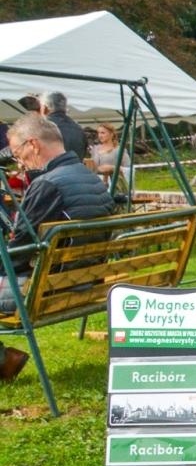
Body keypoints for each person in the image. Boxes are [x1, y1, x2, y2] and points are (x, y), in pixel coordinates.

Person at [0, 115, 117, 377]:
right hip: (85, 280)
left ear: (33, 144)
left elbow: (17, 256)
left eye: (18, 151)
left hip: (49, 289)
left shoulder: (47, 185)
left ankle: (2, 361)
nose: (18, 160)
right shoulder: (91, 180)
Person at [41, 92, 87, 159]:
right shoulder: (78, 128)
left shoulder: (43, 127)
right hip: (76, 167)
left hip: (53, 168)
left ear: (46, 107)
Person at [90, 123, 132, 191]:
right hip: (96, 185)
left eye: (103, 133)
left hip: (114, 187)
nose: (100, 136)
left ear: (111, 134)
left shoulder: (119, 150)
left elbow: (129, 170)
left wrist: (112, 168)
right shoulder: (95, 149)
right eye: (98, 133)